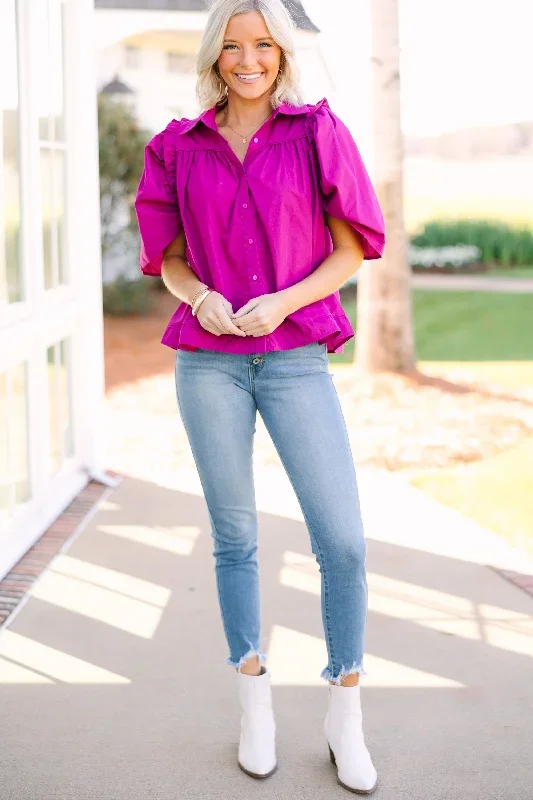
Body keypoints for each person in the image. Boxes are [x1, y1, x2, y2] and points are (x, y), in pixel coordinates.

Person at [135, 0, 385, 792]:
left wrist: (283, 301)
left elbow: (352, 244)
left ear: (281, 54)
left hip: (294, 357)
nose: (248, 59)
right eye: (234, 46)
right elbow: (168, 256)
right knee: (234, 537)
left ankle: (344, 712)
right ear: (214, 54)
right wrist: (197, 293)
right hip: (207, 362)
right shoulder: (176, 147)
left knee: (341, 540)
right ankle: (254, 705)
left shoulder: (315, 133)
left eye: (263, 45)